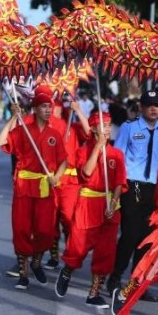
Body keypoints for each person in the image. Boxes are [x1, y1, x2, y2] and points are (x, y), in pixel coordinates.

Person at [0, 85, 70, 289]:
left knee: (45, 231)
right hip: (23, 186)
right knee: (21, 229)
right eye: (44, 107)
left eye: (50, 107)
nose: (48, 110)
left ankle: (37, 260)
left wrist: (57, 176)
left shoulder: (54, 134)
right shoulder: (22, 131)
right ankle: (23, 273)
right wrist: (13, 118)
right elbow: (1, 141)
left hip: (44, 187)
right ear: (35, 109)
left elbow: (64, 161)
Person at [54, 110, 126, 308]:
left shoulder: (117, 154)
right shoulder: (83, 151)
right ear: (93, 128)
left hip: (109, 206)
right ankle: (67, 270)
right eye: (103, 125)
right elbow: (85, 172)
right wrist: (98, 149)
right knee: (78, 246)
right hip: (88, 204)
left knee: (106, 250)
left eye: (109, 125)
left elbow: (120, 182)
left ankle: (94, 291)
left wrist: (113, 203)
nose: (108, 129)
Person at [107, 90, 158, 295]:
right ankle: (115, 278)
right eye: (149, 105)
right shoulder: (129, 128)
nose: (154, 109)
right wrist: (116, 190)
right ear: (141, 107)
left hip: (154, 188)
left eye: (157, 105)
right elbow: (118, 157)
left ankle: (135, 285)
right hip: (133, 185)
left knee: (146, 238)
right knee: (130, 235)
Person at [47, 94, 88, 268]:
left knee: (68, 219)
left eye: (53, 106)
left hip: (70, 181)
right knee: (49, 220)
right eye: (49, 106)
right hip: (50, 178)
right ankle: (54, 255)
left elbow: (89, 132)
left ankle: (70, 253)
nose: (52, 109)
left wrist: (77, 111)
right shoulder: (48, 126)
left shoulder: (73, 125)